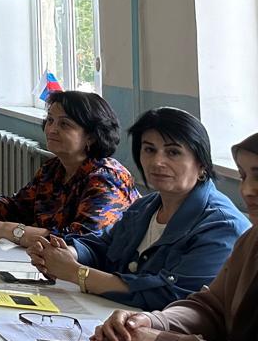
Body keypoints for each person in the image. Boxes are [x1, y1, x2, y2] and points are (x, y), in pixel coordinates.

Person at [28, 107, 248, 309]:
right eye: (149, 150)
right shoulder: (145, 206)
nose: (157, 162)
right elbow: (102, 246)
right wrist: (64, 253)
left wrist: (76, 273)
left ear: (202, 164)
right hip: (114, 318)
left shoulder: (222, 227)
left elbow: (170, 296)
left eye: (173, 152)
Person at [91, 131, 258, 341]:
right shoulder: (252, 240)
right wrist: (151, 322)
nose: (247, 190)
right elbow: (212, 307)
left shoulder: (223, 223)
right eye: (244, 176)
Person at [0, 90, 138, 248]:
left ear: (92, 136)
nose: (51, 129)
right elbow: (18, 206)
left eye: (65, 124)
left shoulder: (107, 180)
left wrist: (2, 229)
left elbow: (79, 242)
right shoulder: (54, 167)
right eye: (50, 120)